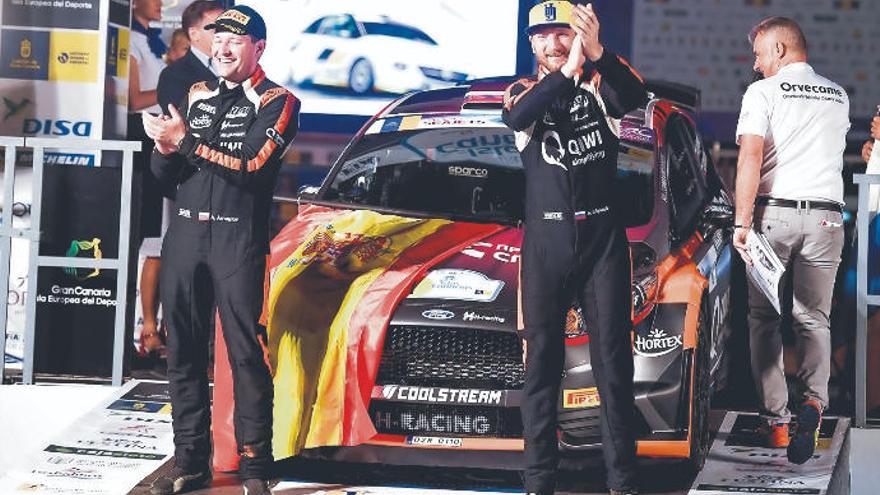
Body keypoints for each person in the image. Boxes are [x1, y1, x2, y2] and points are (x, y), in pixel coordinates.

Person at [142, 5, 301, 494]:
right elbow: (168, 180)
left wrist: (183, 140)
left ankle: (257, 468)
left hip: (237, 240)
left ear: (259, 48)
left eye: (236, 39)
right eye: (218, 38)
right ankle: (190, 460)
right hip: (186, 238)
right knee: (182, 352)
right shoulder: (196, 94)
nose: (224, 47)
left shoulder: (279, 101)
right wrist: (164, 152)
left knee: (245, 355)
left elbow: (251, 165)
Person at [502, 2, 647, 494]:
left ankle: (623, 482)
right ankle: (539, 482)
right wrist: (566, 72)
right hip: (546, 245)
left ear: (579, 35)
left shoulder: (601, 84)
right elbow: (520, 114)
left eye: (562, 33)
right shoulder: (522, 91)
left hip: (603, 243)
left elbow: (634, 95)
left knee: (613, 367)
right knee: (541, 366)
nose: (553, 44)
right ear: (531, 45)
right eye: (541, 37)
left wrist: (599, 53)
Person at [733, 16, 849, 465]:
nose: (756, 64)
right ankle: (815, 403)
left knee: (764, 318)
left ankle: (778, 422)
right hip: (826, 220)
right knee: (813, 319)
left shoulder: (763, 93)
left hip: (772, 217)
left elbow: (750, 156)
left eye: (760, 54)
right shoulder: (837, 94)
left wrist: (742, 222)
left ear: (781, 50)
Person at [128, 0, 167, 356]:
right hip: (139, 146)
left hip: (161, 144)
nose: (161, 3)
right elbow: (134, 99)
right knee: (147, 243)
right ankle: (144, 331)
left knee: (159, 243)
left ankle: (153, 331)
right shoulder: (130, 40)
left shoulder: (153, 40)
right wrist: (176, 83)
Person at [158, 0, 224, 112]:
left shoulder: (241, 65)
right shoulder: (173, 75)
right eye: (217, 29)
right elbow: (183, 121)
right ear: (194, 34)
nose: (226, 34)